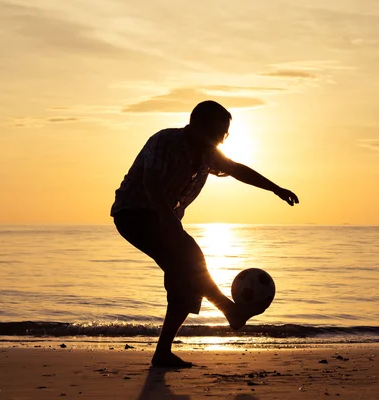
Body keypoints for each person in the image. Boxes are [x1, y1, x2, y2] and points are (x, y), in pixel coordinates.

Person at [110, 100, 299, 368]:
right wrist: (166, 216)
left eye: (225, 133)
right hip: (134, 213)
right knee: (191, 260)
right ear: (198, 125)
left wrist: (275, 188)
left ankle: (164, 351)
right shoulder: (164, 141)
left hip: (166, 220)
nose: (222, 138)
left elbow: (237, 170)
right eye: (219, 131)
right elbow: (149, 180)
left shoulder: (208, 154)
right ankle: (229, 310)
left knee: (184, 282)